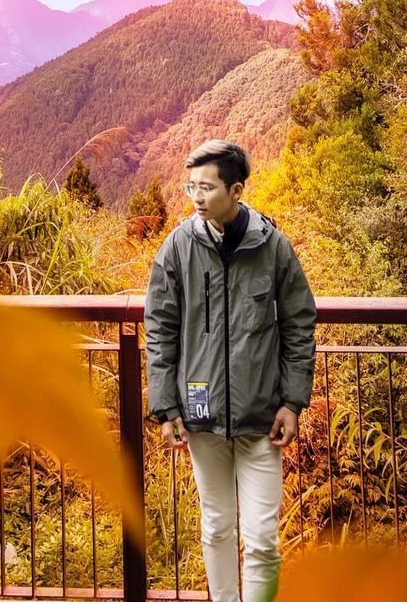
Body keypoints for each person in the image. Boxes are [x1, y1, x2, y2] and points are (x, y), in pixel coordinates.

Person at [144, 139, 316, 602]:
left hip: (261, 415)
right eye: (190, 186)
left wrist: (292, 401)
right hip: (200, 415)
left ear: (236, 190)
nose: (196, 197)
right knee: (217, 526)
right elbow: (159, 328)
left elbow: (300, 323)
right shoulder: (179, 246)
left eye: (206, 187)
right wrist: (165, 407)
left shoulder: (272, 246)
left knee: (261, 537)